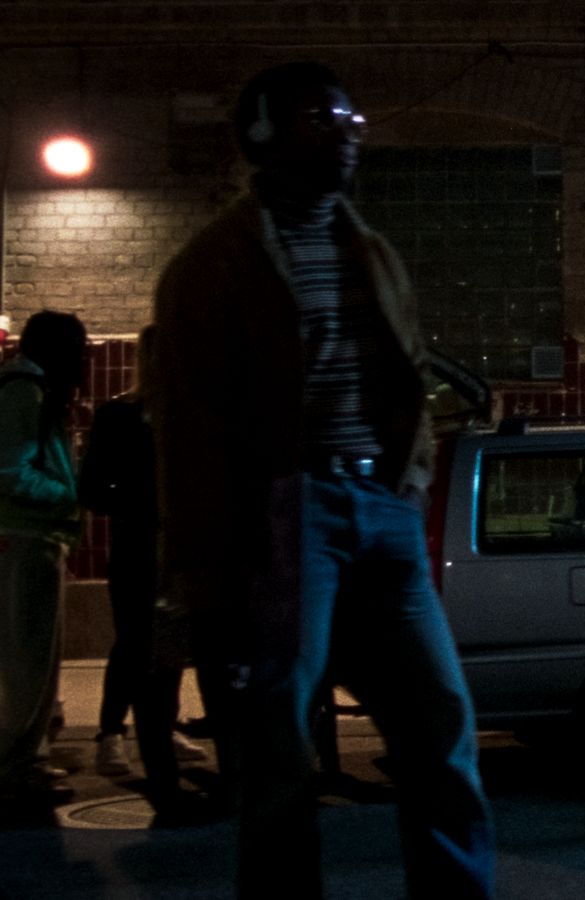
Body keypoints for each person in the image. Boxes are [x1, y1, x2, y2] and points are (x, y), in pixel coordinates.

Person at [150, 63, 494, 896]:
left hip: (381, 510)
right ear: (262, 136)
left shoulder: (370, 249)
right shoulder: (212, 265)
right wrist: (209, 600)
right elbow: (189, 438)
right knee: (278, 745)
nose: (346, 132)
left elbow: (408, 374)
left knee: (441, 722)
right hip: (291, 511)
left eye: (351, 115)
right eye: (320, 117)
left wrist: (407, 485)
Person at [77, 325, 212, 805]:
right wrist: (137, 500)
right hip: (139, 543)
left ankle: (158, 727)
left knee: (170, 640)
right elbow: (91, 486)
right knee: (136, 640)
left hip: (177, 545)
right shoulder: (121, 415)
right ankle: (112, 733)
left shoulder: (189, 415)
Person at [0, 310, 86, 810]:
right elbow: (10, 470)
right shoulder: (22, 391)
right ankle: (18, 767)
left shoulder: (24, 388)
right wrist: (67, 497)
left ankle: (27, 758)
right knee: (28, 662)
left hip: (32, 538)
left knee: (29, 660)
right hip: (26, 538)